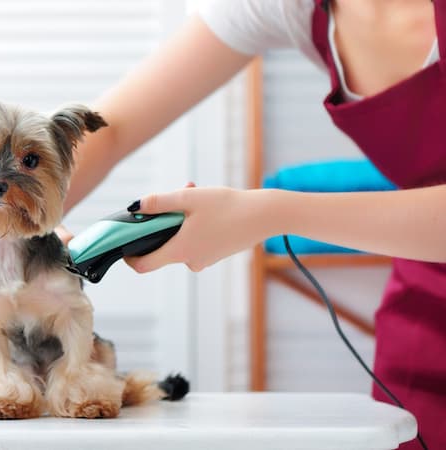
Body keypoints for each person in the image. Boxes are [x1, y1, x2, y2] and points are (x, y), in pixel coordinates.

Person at [56, 1, 446, 449]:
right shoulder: (285, 6)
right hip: (426, 314)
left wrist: (273, 212)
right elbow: (112, 129)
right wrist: (17, 213)